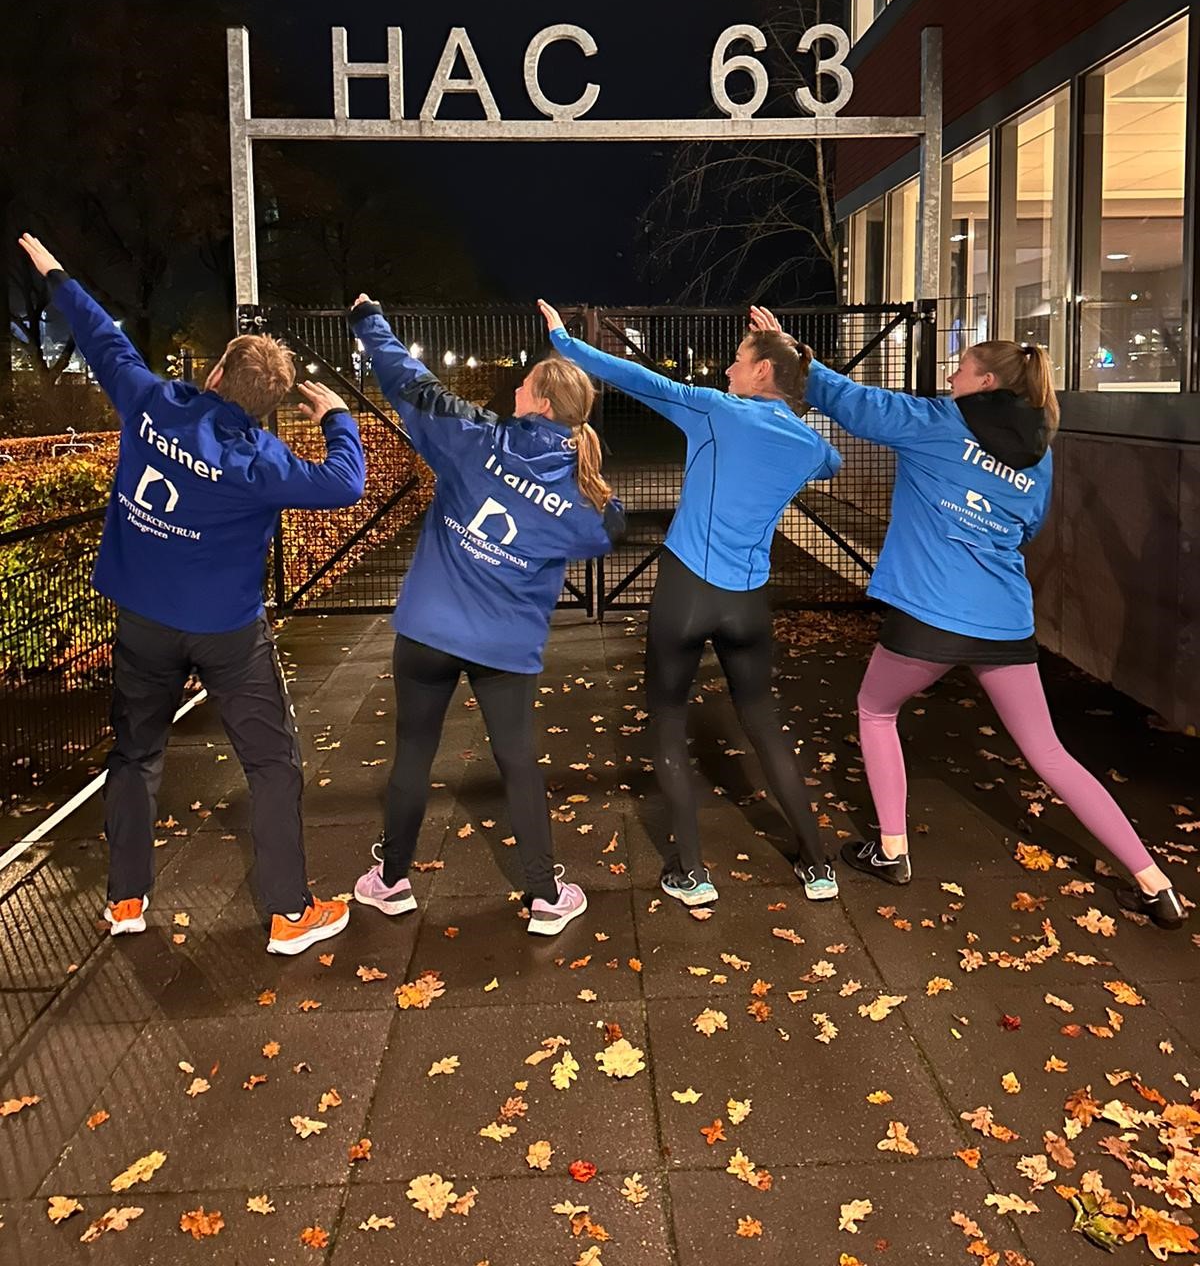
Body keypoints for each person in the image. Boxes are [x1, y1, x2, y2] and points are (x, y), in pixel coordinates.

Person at [760, 306, 1186, 930]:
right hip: (1004, 621)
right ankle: (1156, 884)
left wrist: (794, 353)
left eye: (960, 369)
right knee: (1049, 751)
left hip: (930, 613)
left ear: (986, 381)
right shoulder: (1039, 454)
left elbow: (850, 402)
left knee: (876, 710)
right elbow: (1029, 526)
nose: (951, 377)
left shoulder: (937, 422)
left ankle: (892, 851)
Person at [17, 233, 367, 954]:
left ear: (213, 373)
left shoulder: (151, 404)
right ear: (267, 406)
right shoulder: (261, 460)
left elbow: (102, 339)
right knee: (270, 762)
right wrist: (336, 418)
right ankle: (289, 912)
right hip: (228, 633)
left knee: (135, 755)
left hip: (143, 619)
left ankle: (125, 900)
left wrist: (57, 275)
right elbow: (345, 482)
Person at [538, 300, 843, 908]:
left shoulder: (715, 410)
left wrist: (566, 344)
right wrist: (790, 363)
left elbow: (637, 378)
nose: (728, 369)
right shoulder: (810, 446)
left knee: (669, 720)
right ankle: (818, 865)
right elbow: (831, 463)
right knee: (763, 722)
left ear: (761, 372)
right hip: (747, 602)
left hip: (686, 590)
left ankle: (692, 873)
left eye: (739, 359)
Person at [347, 295, 625, 936]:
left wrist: (369, 321)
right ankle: (544, 895)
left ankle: (390, 881)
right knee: (518, 760)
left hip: (429, 630)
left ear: (542, 405)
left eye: (525, 385)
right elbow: (607, 528)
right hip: (504, 644)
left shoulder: (474, 438)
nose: (515, 389)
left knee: (413, 753)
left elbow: (411, 383)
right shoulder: (582, 495)